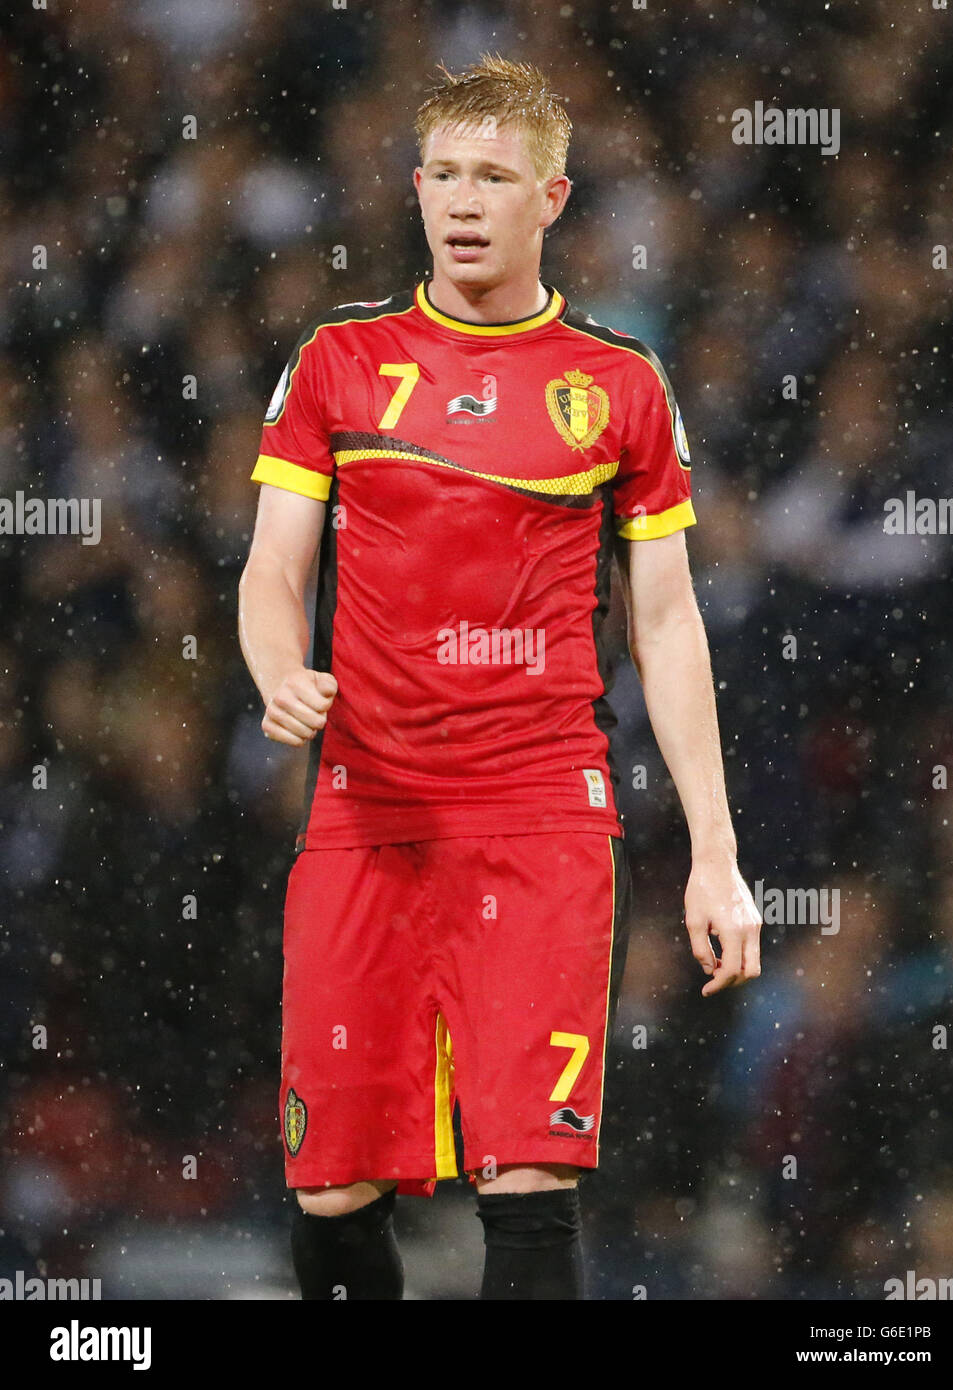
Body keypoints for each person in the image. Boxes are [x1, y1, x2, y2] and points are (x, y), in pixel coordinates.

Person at [237, 54, 762, 1302]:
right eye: (444, 175)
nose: (464, 201)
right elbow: (270, 573)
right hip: (366, 810)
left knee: (527, 1175)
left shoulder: (621, 384)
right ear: (416, 190)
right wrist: (275, 670)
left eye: (495, 177)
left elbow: (669, 622)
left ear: (554, 199)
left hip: (539, 815)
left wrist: (716, 851)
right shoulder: (337, 364)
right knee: (330, 1185)